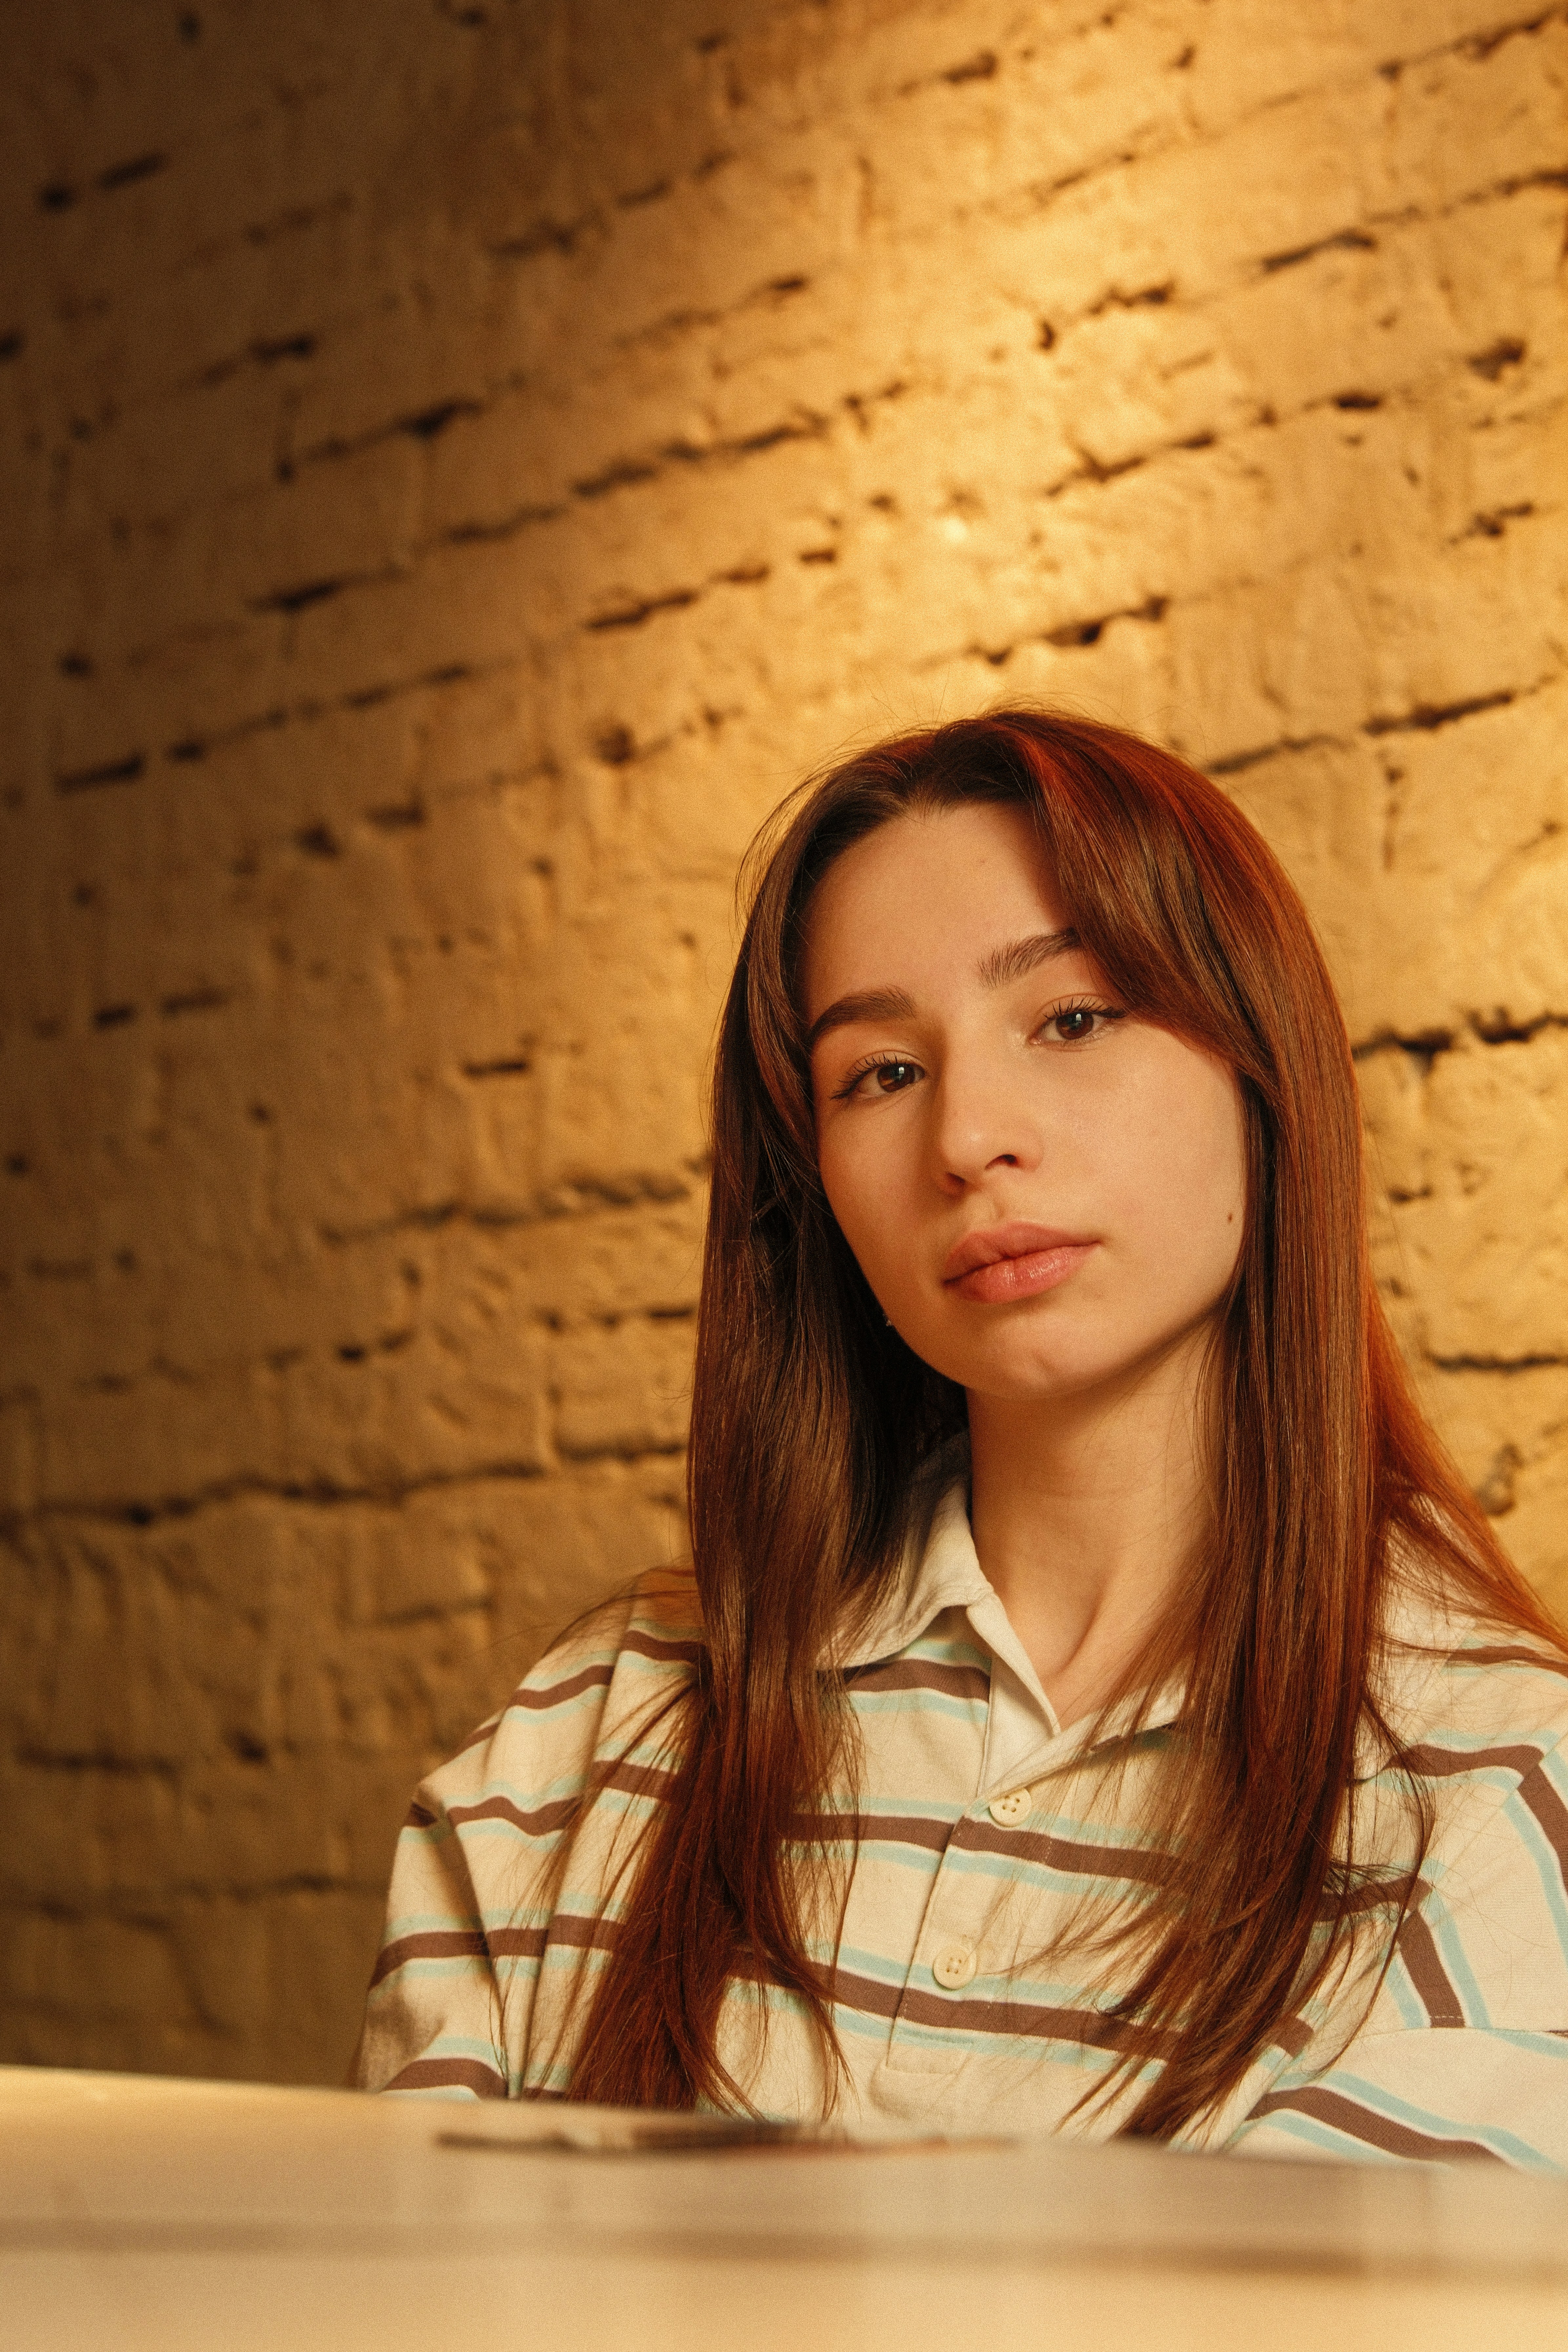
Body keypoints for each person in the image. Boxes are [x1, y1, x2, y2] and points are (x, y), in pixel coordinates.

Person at [353, 708, 1568, 2164]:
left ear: (1262, 1067)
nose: (966, 1138)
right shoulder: (586, 1742)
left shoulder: (1497, 1792)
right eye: (878, 1072)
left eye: (1068, 1018)